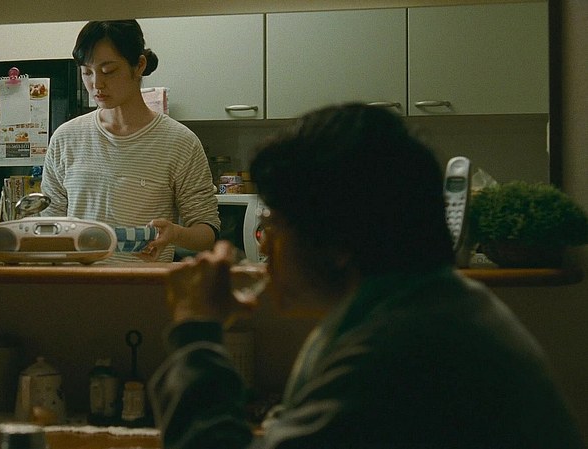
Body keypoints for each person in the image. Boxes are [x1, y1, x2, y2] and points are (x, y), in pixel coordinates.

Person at [148, 103, 585, 448]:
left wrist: (197, 332)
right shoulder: (427, 306)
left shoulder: (401, 352)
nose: (263, 245)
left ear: (339, 241)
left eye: (275, 223)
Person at [40, 20, 219, 263]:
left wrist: (175, 233)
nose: (96, 84)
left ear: (139, 66)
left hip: (144, 284)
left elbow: (206, 231)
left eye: (108, 71)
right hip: (76, 283)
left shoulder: (179, 142)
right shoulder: (65, 138)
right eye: (87, 72)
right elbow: (49, 224)